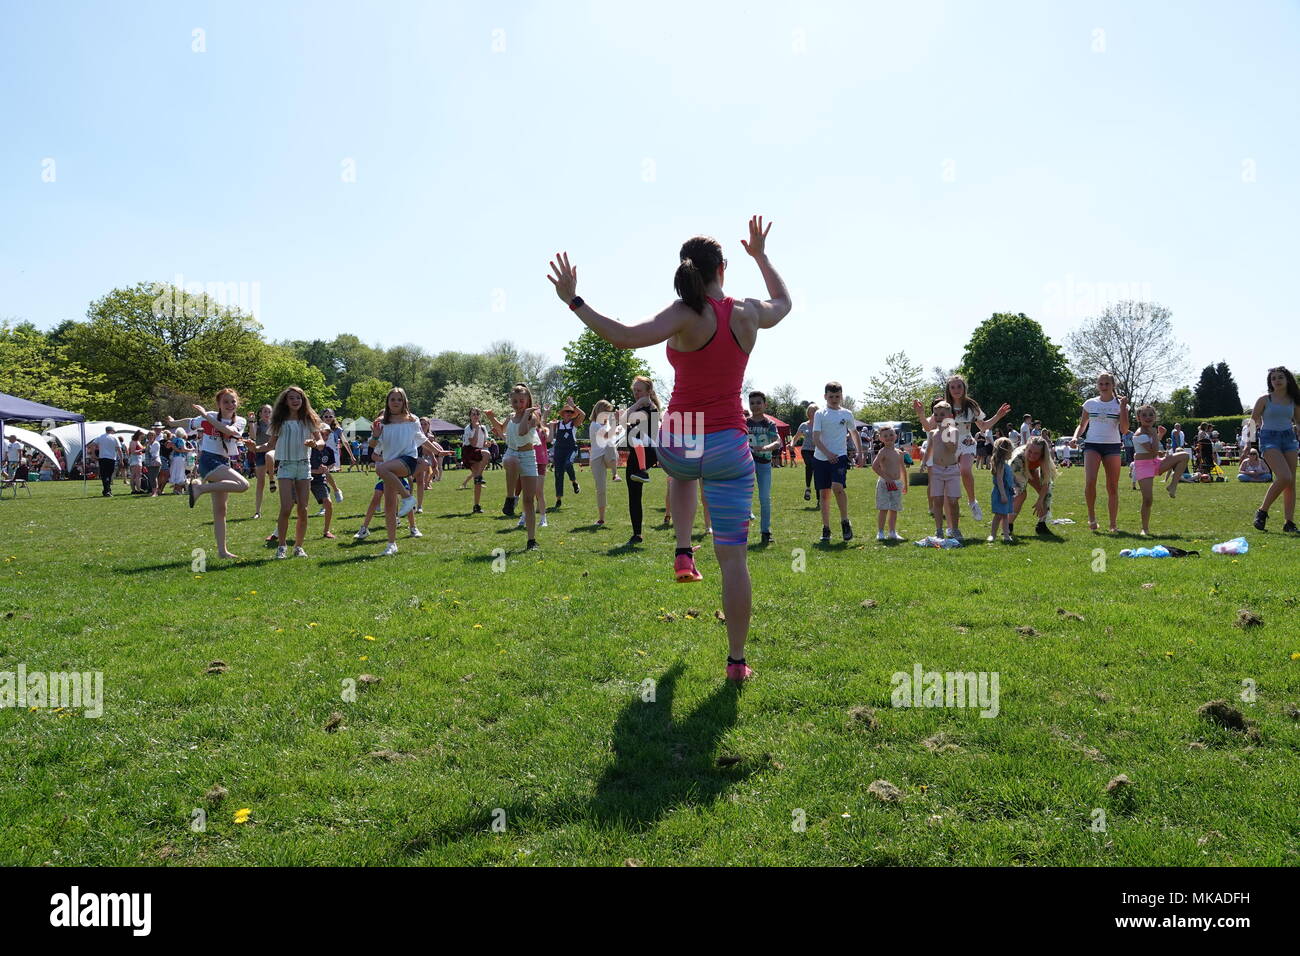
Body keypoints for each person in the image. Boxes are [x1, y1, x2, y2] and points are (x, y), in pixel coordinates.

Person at [548, 214, 790, 682]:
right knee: (735, 560)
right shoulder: (748, 312)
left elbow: (623, 336)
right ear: (723, 267)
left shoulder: (684, 312)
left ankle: (683, 549)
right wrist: (761, 256)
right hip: (730, 443)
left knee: (682, 472)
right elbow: (785, 301)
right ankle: (737, 662)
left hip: (681, 436)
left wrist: (574, 300)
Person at [162, 390, 251, 559]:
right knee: (243, 485)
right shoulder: (208, 415)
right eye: (226, 402)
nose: (230, 405)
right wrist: (174, 423)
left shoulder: (240, 420)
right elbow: (190, 421)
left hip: (224, 461)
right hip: (209, 460)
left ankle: (222, 552)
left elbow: (227, 430)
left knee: (220, 511)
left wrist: (205, 416)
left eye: (233, 402)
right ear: (219, 404)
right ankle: (200, 489)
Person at [918, 376, 1011, 522]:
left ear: (964, 388)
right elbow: (928, 427)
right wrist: (921, 414)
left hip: (966, 441)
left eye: (959, 386)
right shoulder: (944, 406)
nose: (956, 390)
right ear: (948, 389)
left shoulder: (971, 405)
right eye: (952, 387)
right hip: (948, 443)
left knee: (965, 470)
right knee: (948, 483)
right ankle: (950, 524)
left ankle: (972, 502)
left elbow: (984, 426)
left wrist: (998, 416)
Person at [248, 386, 325, 559]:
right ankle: (281, 546)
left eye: (298, 398)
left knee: (303, 509)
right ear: (286, 401)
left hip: (304, 466)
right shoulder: (279, 421)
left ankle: (298, 546)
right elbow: (269, 446)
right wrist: (254, 448)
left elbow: (320, 442)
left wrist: (315, 444)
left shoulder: (309, 419)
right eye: (291, 398)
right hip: (286, 466)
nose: (295, 401)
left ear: (303, 400)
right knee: (286, 507)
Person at [368, 388, 427, 556]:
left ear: (404, 402)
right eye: (392, 399)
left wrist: (437, 452)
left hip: (408, 461)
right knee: (389, 506)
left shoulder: (412, 419)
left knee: (380, 468)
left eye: (399, 399)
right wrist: (376, 435)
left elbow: (422, 440)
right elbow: (373, 446)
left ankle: (408, 498)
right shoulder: (380, 422)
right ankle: (391, 544)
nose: (395, 402)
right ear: (387, 402)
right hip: (389, 467)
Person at [485, 385, 544, 550]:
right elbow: (501, 429)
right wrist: (491, 417)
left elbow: (522, 432)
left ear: (527, 401)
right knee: (512, 462)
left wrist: (525, 415)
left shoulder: (533, 417)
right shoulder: (510, 416)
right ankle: (510, 498)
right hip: (511, 453)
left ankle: (531, 540)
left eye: (521, 401)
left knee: (528, 501)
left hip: (528, 457)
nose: (517, 404)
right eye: (514, 401)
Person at [1070, 371, 1129, 532]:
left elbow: (1124, 430)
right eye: (1101, 384)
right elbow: (1082, 425)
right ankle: (1091, 518)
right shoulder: (1090, 403)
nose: (1103, 387)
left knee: (1112, 486)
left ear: (1113, 385)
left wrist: (1123, 407)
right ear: (1097, 385)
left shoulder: (1120, 404)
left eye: (1107, 384)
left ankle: (1113, 524)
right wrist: (1075, 437)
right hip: (1092, 445)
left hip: (1112, 446)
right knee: (1090, 481)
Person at [1250, 366, 1300, 533]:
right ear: (1270, 382)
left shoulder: (1294, 400)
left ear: (1287, 380)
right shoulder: (1265, 399)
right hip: (1269, 439)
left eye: (1280, 377)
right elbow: (1252, 421)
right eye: (1273, 378)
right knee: (1284, 476)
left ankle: (1289, 523)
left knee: (1290, 482)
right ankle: (1262, 511)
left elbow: (1298, 421)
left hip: (1289, 439)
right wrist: (1249, 444)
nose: (1277, 380)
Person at [1130, 404, 1190, 536]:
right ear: (1138, 418)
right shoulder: (1140, 433)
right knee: (1147, 499)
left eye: (1151, 414)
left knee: (1184, 456)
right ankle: (1144, 529)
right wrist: (1158, 435)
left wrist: (1158, 437)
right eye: (1144, 415)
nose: (1148, 417)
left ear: (1155, 417)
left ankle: (1173, 485)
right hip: (1143, 466)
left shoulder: (1151, 431)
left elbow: (1154, 450)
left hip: (1155, 462)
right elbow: (1152, 449)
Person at [814, 382, 862, 543]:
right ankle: (826, 528)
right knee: (824, 494)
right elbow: (815, 438)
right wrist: (827, 454)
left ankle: (845, 521)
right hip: (821, 458)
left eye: (837, 396)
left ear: (841, 396)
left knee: (838, 488)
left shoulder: (847, 414)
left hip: (840, 457)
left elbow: (854, 433)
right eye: (831, 396)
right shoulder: (820, 414)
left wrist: (860, 453)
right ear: (825, 397)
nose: (834, 399)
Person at [620, 376, 663, 545]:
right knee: (634, 495)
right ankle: (637, 534)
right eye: (634, 391)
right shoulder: (638, 407)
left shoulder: (651, 409)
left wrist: (638, 405)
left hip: (648, 451)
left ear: (648, 392)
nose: (636, 394)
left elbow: (625, 419)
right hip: (635, 455)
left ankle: (643, 471)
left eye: (639, 391)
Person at [924, 401, 963, 540]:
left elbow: (952, 449)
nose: (939, 417)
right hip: (937, 471)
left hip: (951, 470)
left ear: (950, 416)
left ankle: (955, 529)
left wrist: (943, 432)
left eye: (942, 414)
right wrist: (923, 462)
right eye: (936, 415)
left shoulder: (953, 431)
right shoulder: (933, 433)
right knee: (938, 500)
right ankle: (939, 530)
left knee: (953, 501)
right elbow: (929, 449)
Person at [746, 390, 781, 545]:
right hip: (748, 462)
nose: (755, 406)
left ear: (765, 404)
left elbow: (777, 441)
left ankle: (765, 531)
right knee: (744, 492)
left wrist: (765, 448)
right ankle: (746, 514)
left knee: (764, 498)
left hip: (764, 463)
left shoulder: (769, 423)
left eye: (758, 402)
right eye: (752, 403)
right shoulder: (745, 422)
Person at [1008, 435, 1057, 536]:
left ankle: (1041, 525)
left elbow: (1046, 482)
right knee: (1021, 494)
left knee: (1046, 494)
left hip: (1031, 469)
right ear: (1027, 447)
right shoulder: (1017, 460)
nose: (1032, 455)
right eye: (1029, 451)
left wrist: (1040, 500)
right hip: (1015, 470)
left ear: (1042, 453)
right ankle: (1008, 526)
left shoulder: (1045, 459)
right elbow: (1019, 486)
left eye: (1036, 453)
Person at [587, 399, 622, 527]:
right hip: (597, 459)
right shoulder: (594, 425)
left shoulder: (607, 425)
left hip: (609, 457)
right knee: (601, 489)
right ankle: (601, 518)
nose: (608, 414)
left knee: (610, 446)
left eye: (609, 412)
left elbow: (611, 436)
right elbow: (606, 436)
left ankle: (615, 474)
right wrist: (616, 424)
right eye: (606, 411)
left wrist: (617, 427)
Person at [871, 424, 907, 541]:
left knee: (894, 509)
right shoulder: (883, 452)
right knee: (884, 508)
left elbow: (903, 469)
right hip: (884, 484)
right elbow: (875, 466)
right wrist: (886, 478)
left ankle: (892, 532)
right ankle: (880, 532)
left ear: (895, 436)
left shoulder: (899, 452)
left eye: (891, 435)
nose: (889, 437)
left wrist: (905, 483)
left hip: (896, 484)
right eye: (885, 436)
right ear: (881, 438)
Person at [549, 397, 586, 508]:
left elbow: (583, 415)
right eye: (567, 412)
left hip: (571, 449)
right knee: (558, 474)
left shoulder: (574, 423)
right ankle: (558, 499)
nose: (569, 413)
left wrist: (573, 405)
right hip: (559, 450)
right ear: (563, 414)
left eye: (571, 412)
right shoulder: (556, 424)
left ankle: (574, 482)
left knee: (568, 464)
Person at [457, 407, 491, 514]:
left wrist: (488, 443)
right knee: (487, 453)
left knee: (477, 481)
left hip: (478, 451)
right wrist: (476, 429)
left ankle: (476, 505)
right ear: (470, 417)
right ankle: (479, 476)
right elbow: (473, 443)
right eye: (473, 414)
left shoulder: (484, 427)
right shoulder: (468, 428)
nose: (475, 416)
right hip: (469, 452)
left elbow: (485, 442)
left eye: (477, 414)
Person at [987, 436, 1015, 543]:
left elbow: (1007, 480)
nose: (1011, 454)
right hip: (1000, 493)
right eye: (1010, 451)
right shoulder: (1000, 465)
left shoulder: (1004, 464)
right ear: (1005, 452)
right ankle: (993, 535)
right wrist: (1003, 495)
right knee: (999, 515)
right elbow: (999, 480)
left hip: (1006, 492)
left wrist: (1011, 489)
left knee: (1005, 515)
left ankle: (1006, 535)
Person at [309, 440, 337, 539]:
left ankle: (326, 531)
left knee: (328, 503)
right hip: (303, 478)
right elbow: (300, 467)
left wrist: (326, 468)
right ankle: (277, 532)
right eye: (323, 433)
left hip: (319, 480)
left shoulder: (328, 450)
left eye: (327, 434)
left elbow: (332, 464)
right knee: (290, 505)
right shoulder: (308, 448)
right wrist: (315, 471)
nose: (325, 436)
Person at [794, 403, 818, 502]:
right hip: (806, 450)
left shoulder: (821, 424)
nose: (812, 413)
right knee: (809, 464)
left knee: (818, 471)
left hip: (818, 450)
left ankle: (819, 498)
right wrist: (792, 444)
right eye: (810, 411)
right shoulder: (804, 425)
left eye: (814, 411)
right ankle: (808, 488)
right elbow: (796, 437)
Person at [92, 426, 123, 497]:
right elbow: (119, 450)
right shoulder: (115, 438)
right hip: (112, 458)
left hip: (102, 458)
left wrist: (93, 454)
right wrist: (121, 460)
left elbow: (92, 445)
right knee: (109, 475)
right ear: (111, 430)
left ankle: (106, 490)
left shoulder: (100, 437)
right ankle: (107, 490)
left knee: (104, 475)